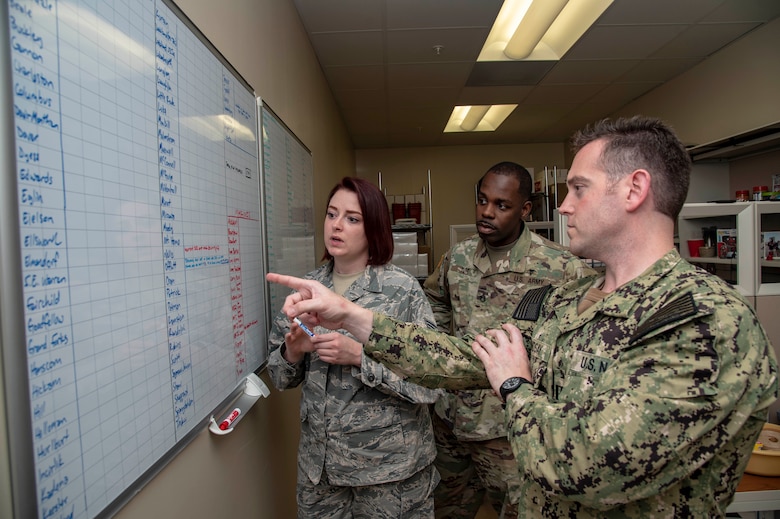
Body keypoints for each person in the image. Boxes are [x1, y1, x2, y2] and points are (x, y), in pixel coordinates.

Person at [268, 116, 778, 518]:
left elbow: (589, 467)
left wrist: (514, 387)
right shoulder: (571, 297)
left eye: (578, 188)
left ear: (634, 189)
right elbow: (467, 359)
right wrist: (356, 318)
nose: (565, 206)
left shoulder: (707, 324)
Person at [424, 161, 594, 518]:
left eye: (501, 205)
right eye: (482, 200)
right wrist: (443, 340)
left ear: (525, 209)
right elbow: (435, 299)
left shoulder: (561, 267)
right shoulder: (458, 257)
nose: (487, 212)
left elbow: (583, 337)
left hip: (509, 429)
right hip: (450, 423)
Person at [266, 176, 441, 519]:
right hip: (322, 476)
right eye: (332, 214)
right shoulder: (309, 289)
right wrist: (295, 351)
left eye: (352, 218)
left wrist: (360, 358)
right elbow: (279, 377)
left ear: (373, 228)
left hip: (391, 476)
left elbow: (432, 385)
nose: (337, 225)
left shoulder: (401, 291)